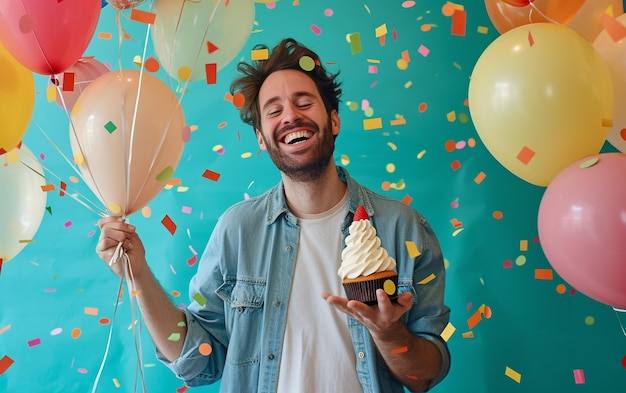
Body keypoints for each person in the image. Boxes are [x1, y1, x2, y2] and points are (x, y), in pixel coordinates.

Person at [96, 38, 450, 393]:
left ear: (334, 119)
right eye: (274, 110)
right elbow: (198, 360)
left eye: (303, 102)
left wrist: (389, 334)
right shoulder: (237, 230)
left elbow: (425, 375)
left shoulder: (403, 228)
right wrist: (138, 275)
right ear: (262, 138)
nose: (291, 116)